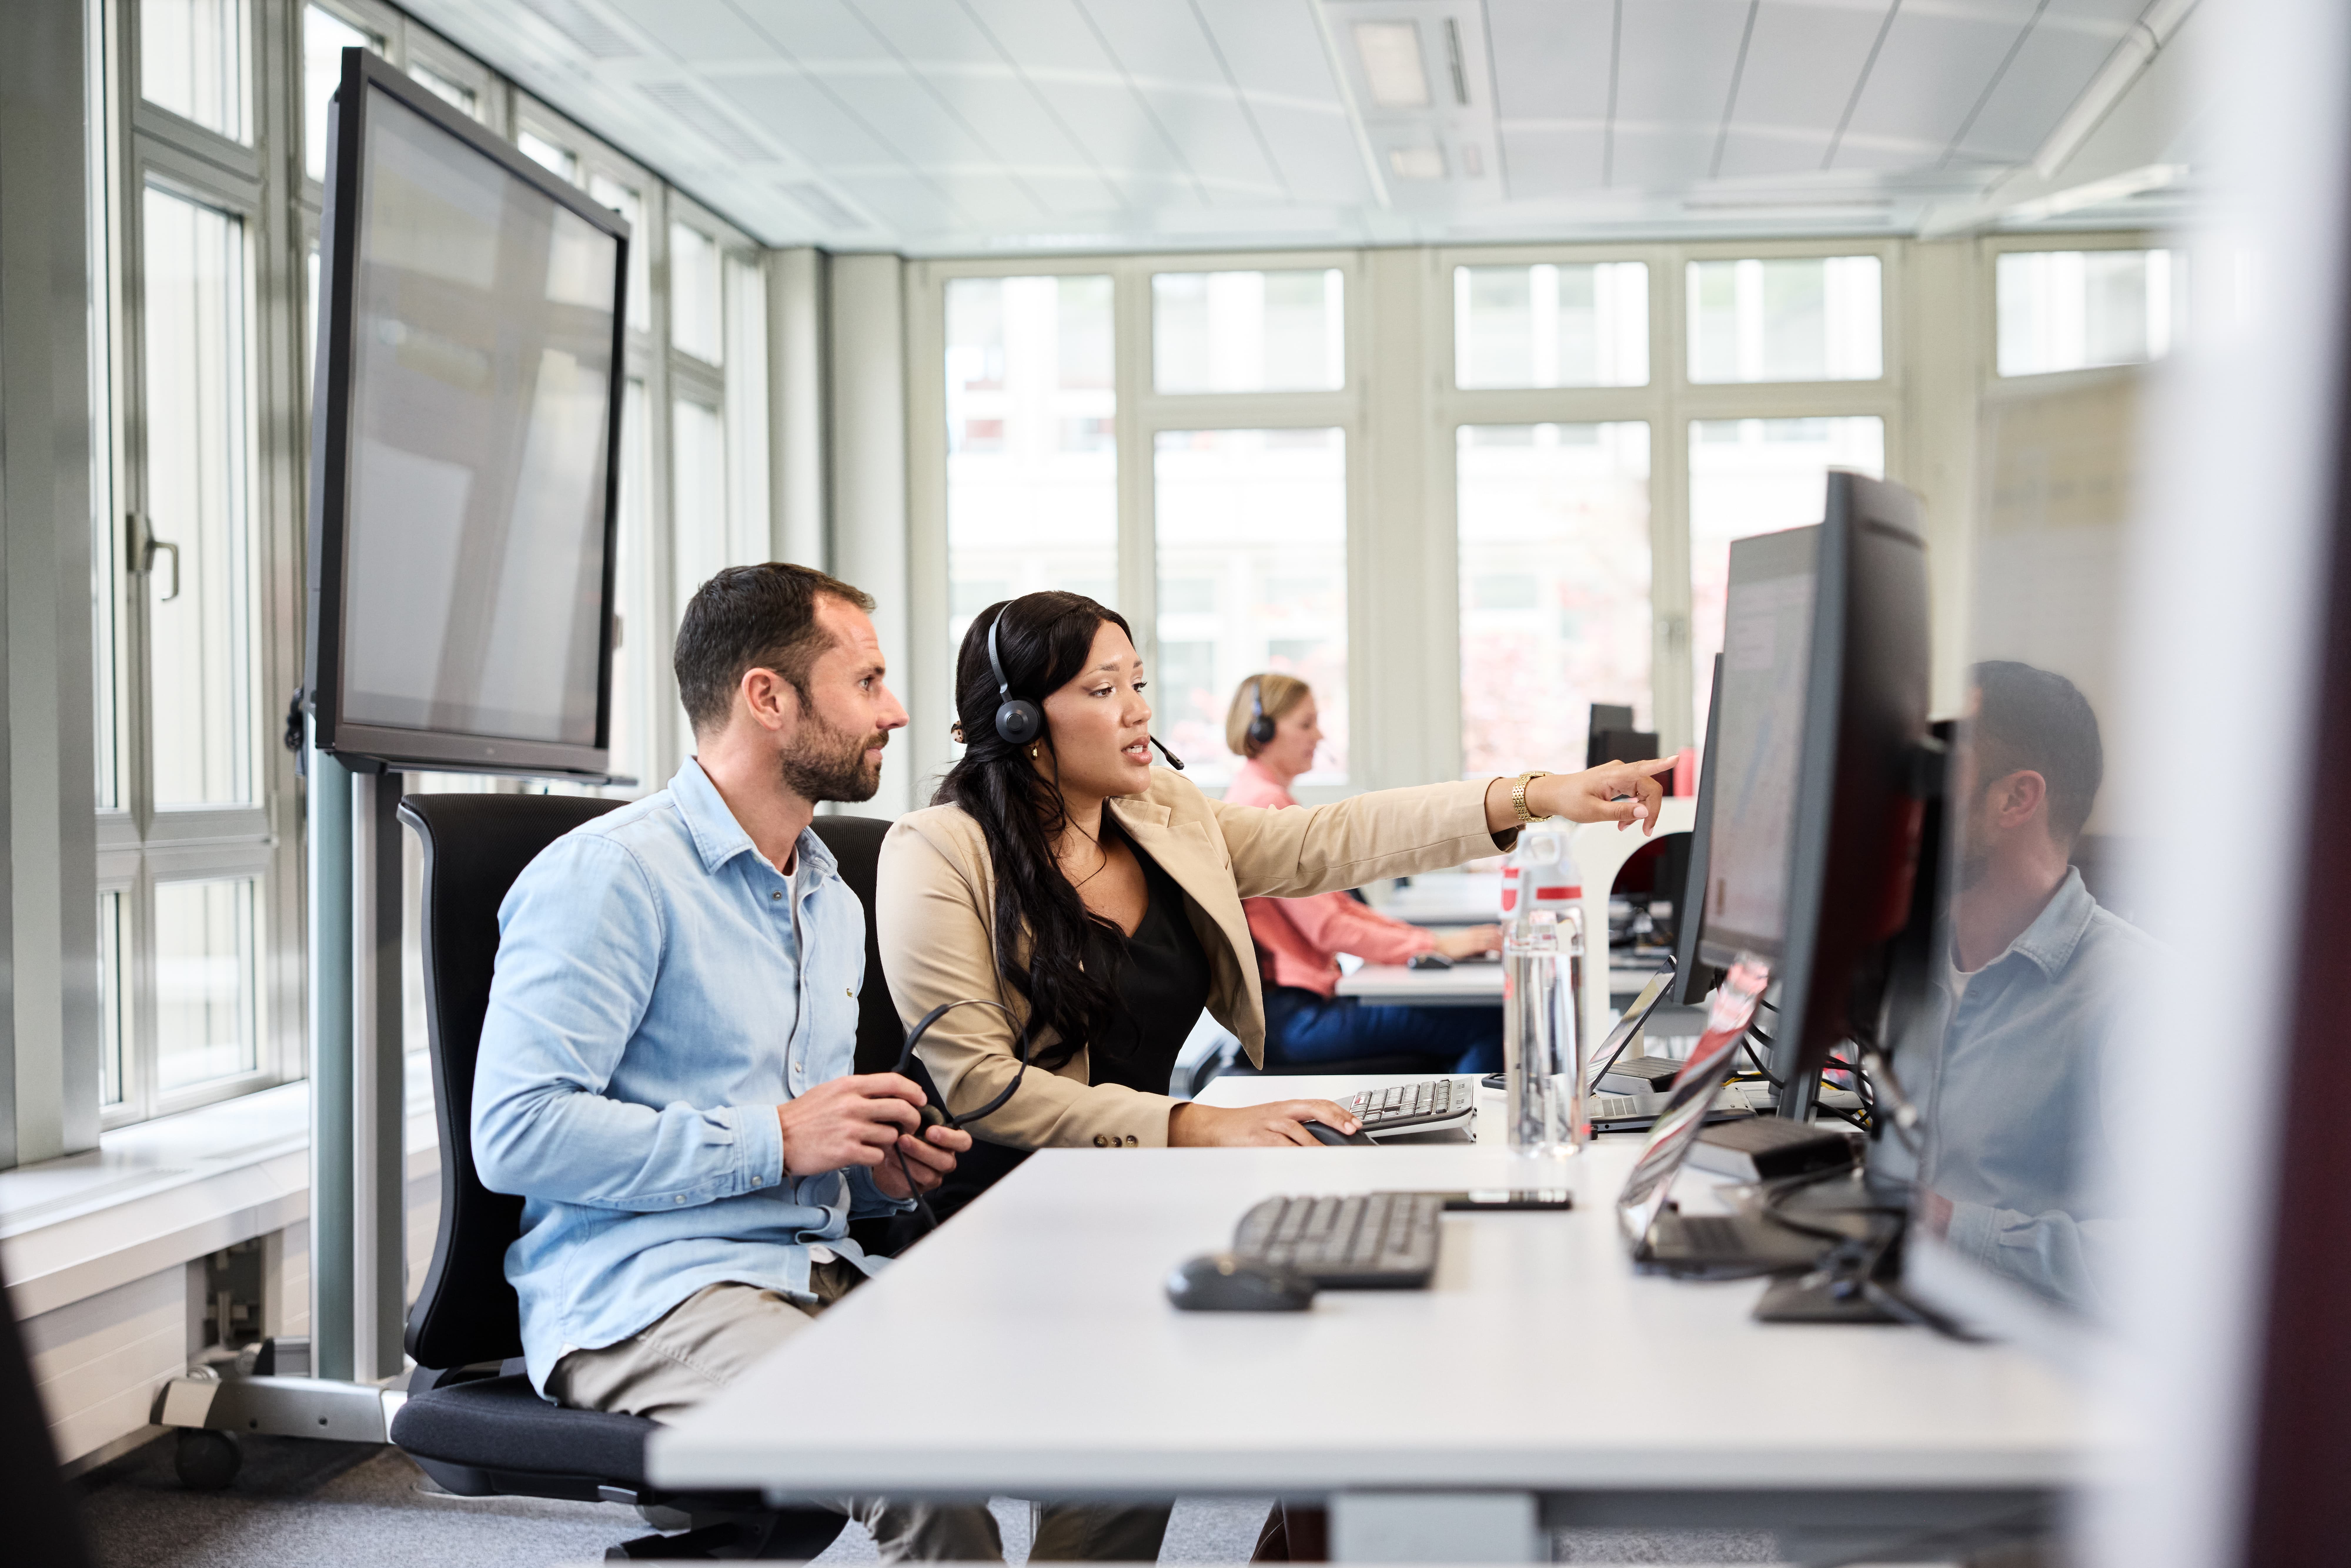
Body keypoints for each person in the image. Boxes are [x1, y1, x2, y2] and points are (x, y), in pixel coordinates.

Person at [472, 564, 1070, 1561]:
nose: (896, 710)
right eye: (867, 682)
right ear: (767, 697)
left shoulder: (829, 893)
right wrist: (781, 1136)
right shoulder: (611, 877)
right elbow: (518, 1131)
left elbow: (789, 1153)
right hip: (647, 1297)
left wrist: (865, 1168)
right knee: (928, 1473)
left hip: (805, 1266)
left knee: (1078, 1394)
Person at [873, 590, 1671, 1164]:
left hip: (1138, 1176)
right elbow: (980, 1082)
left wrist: (1536, 794)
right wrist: (1194, 1125)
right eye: (1102, 689)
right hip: (1015, 1202)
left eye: (1137, 683)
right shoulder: (937, 852)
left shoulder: (1163, 816)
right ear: (1020, 723)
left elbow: (1332, 837)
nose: (1137, 711)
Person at [1903, 659, 2158, 1315]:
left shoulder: (2140, 999)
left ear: (2016, 799)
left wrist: (1947, 1224)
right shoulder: (1911, 964)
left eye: (1940, 769)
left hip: (2028, 1377)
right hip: (1908, 1324)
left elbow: (2179, 1261)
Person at [1220, 673, 1505, 1073]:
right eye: (1305, 724)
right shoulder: (1265, 805)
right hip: (1297, 1020)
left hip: (1291, 1013)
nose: (1318, 736)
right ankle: (1469, 1132)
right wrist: (1435, 945)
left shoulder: (1256, 796)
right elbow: (1330, 927)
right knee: (1490, 1022)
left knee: (1463, 1021)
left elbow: (1340, 908)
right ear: (1261, 730)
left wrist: (1430, 942)